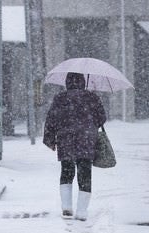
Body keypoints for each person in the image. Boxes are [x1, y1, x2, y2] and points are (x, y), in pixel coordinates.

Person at [43, 72, 107, 220]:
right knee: (85, 174)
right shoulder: (92, 97)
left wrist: (50, 139)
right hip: (86, 140)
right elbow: (102, 118)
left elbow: (51, 119)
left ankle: (66, 207)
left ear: (67, 82)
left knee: (66, 172)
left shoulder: (60, 98)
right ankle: (82, 211)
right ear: (83, 82)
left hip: (66, 140)